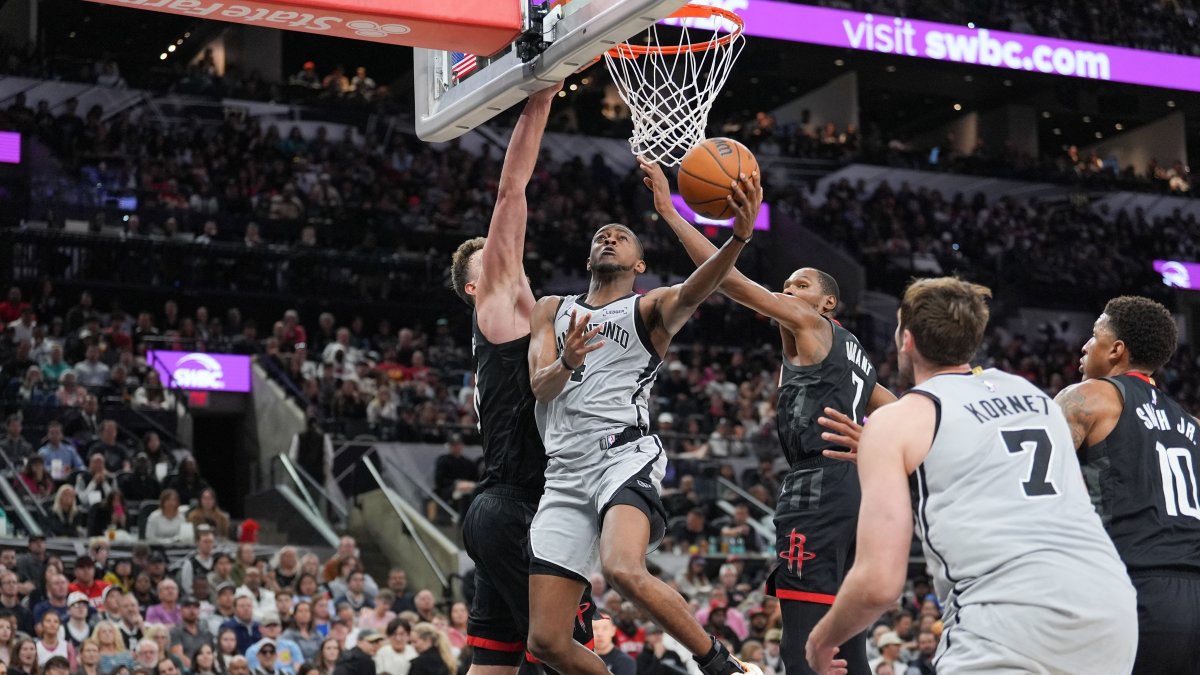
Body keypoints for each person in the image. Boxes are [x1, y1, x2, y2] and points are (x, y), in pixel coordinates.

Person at [803, 278, 1137, 674]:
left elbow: (879, 584)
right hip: (1110, 609)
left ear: (906, 339)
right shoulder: (1033, 396)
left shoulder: (897, 420)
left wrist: (822, 641)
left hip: (1009, 614)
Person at [642, 160, 892, 675]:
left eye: (798, 285)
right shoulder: (854, 356)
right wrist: (876, 448)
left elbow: (727, 282)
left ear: (827, 302)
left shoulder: (813, 322)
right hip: (858, 491)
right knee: (848, 642)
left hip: (819, 487)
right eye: (787, 284)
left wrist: (670, 211)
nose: (787, 290)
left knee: (804, 639)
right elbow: (904, 411)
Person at [524, 146, 760, 675]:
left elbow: (703, 287)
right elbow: (540, 388)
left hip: (622, 457)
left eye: (622, 236)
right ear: (588, 259)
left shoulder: (649, 308)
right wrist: (565, 360)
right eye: (600, 236)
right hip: (563, 473)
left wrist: (737, 238)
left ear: (640, 264)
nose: (609, 237)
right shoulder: (551, 309)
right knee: (545, 640)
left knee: (623, 567)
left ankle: (720, 663)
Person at [447, 81, 595, 675]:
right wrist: (542, 96)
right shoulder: (499, 311)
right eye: (496, 259)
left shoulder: (531, 326)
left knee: (493, 667)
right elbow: (512, 189)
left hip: (501, 511)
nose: (508, 257)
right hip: (518, 512)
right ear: (474, 288)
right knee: (564, 649)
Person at [1054, 295, 1200, 674]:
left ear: (1116, 349)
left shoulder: (1088, 398)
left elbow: (1038, 487)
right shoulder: (1192, 426)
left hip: (1133, 590)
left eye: (1094, 335)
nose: (1085, 346)